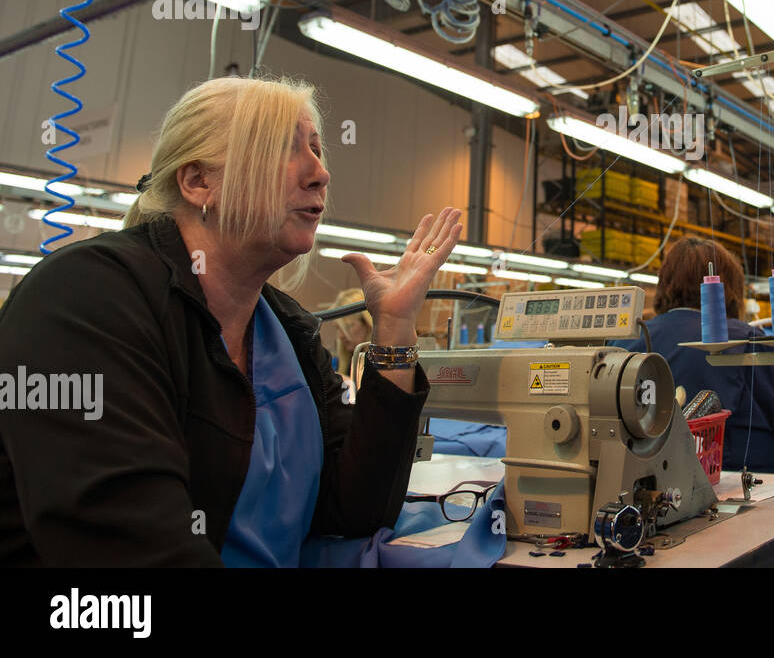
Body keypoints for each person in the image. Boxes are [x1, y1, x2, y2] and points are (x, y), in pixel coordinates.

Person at [0, 76, 463, 566]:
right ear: (198, 182)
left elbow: (355, 510)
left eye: (316, 148)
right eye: (283, 148)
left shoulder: (287, 332)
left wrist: (394, 327)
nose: (320, 173)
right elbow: (133, 551)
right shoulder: (87, 298)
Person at [613, 238, 774, 473]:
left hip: (641, 484)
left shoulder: (625, 343)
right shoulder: (749, 341)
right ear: (729, 289)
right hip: (741, 484)